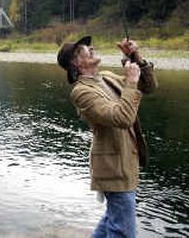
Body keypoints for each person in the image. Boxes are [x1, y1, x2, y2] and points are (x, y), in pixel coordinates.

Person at [57, 36, 157, 237]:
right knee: (123, 232)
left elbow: (148, 87)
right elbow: (123, 118)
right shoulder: (81, 92)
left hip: (126, 163)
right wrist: (130, 82)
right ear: (76, 63)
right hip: (114, 170)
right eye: (84, 49)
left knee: (113, 221)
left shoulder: (107, 77)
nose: (91, 48)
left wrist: (134, 56)